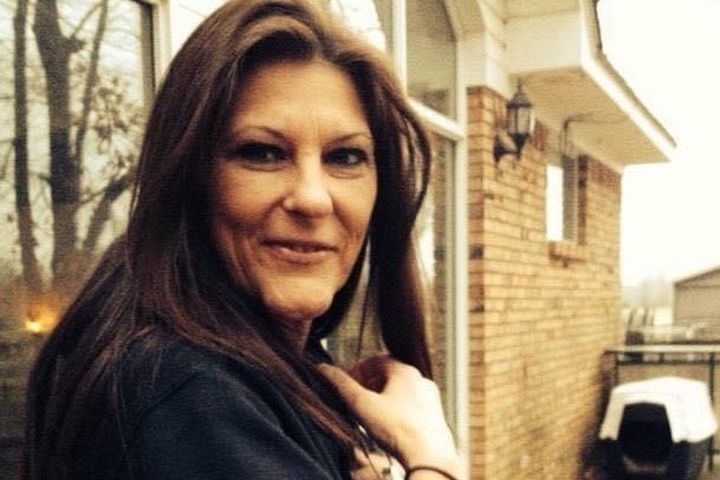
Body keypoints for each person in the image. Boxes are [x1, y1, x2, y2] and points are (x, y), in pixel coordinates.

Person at [22, 1, 461, 479]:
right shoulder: (187, 393)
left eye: (345, 157)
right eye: (262, 153)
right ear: (190, 178)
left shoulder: (279, 358)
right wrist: (433, 460)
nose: (313, 199)